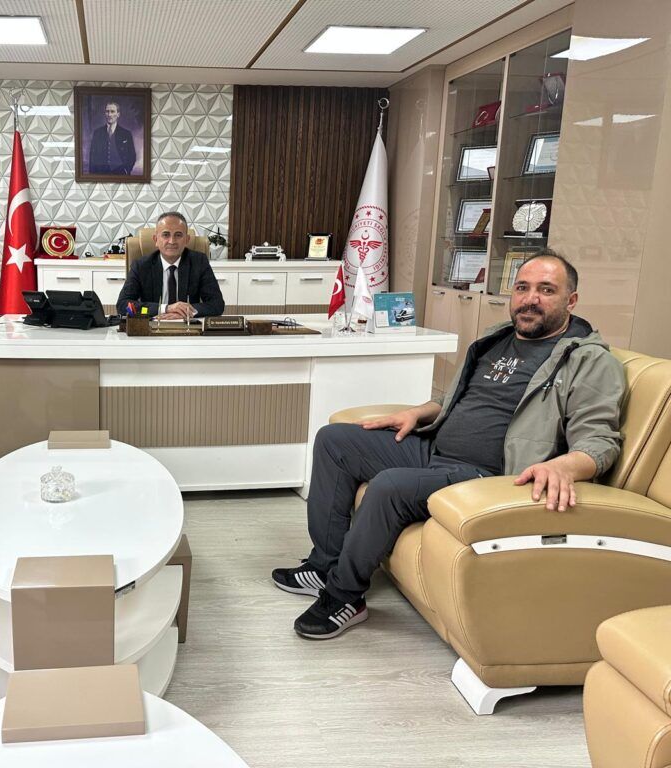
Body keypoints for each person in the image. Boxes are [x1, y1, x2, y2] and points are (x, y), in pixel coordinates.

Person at [272, 252, 625, 639]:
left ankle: (344, 596)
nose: (530, 299)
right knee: (335, 440)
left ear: (571, 301)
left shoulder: (589, 361)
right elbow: (455, 398)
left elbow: (600, 439)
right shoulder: (496, 339)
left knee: (389, 486)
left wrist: (563, 466)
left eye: (546, 290)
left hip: (487, 475)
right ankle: (324, 566)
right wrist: (417, 412)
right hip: (434, 447)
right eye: (522, 288)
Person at [116, 211, 225, 319]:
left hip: (186, 326)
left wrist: (185, 312)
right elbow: (123, 305)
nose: (172, 241)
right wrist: (165, 308)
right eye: (166, 235)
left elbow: (217, 304)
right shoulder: (141, 266)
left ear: (187, 240)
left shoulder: (199, 262)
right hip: (152, 325)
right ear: (156, 240)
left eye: (178, 235)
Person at [87, 100, 136, 175]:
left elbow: (132, 155)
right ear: (105, 113)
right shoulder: (97, 133)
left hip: (120, 174)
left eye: (112, 111)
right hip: (101, 174)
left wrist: (126, 171)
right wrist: (93, 175)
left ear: (118, 114)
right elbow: (92, 156)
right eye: (107, 111)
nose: (109, 114)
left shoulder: (126, 134)